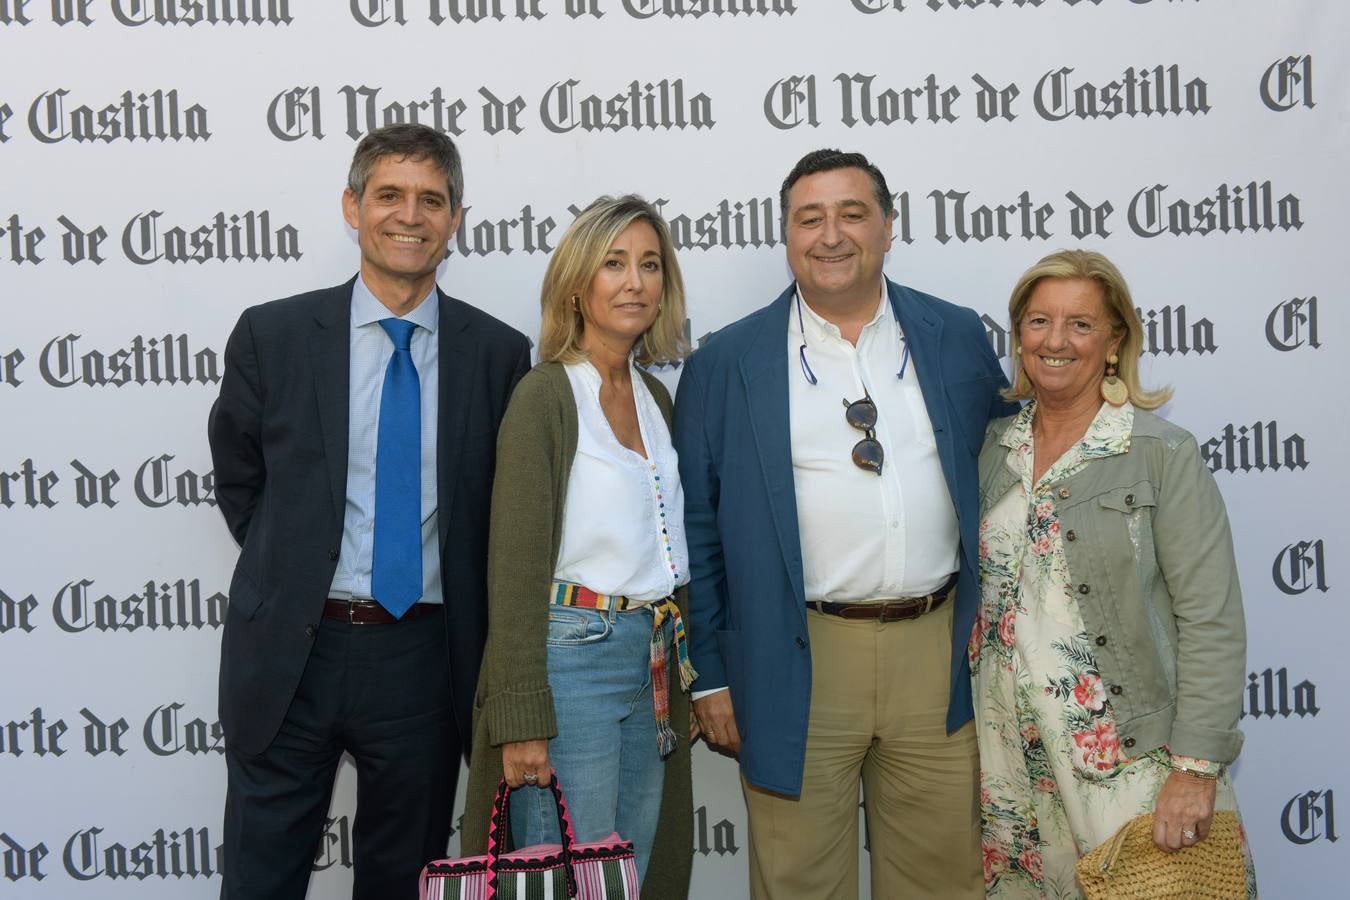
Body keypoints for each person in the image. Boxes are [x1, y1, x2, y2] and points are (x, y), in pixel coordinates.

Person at [673, 148, 1016, 898]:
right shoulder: (725, 363)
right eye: (810, 218)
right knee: (799, 882)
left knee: (942, 880)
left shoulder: (955, 336)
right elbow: (697, 532)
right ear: (787, 235)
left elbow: (1007, 475)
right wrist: (710, 677)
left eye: (853, 214)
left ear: (889, 227)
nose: (832, 235)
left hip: (938, 655)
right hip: (794, 655)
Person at [207, 123, 531, 899]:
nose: (408, 216)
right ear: (352, 206)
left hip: (422, 661)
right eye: (389, 195)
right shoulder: (273, 335)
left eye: (431, 199)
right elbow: (240, 478)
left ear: (456, 218)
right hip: (293, 651)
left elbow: (497, 512)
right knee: (259, 880)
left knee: (402, 880)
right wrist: (295, 567)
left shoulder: (498, 355)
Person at [970, 249, 1256, 897]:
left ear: (1115, 339)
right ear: (1019, 337)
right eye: (1039, 322)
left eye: (1080, 324)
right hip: (1010, 767)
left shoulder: (1160, 454)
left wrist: (1196, 770)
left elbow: (1210, 619)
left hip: (1130, 763)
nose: (1056, 341)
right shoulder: (993, 449)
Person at [461, 195, 695, 896]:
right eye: (614, 264)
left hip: (648, 659)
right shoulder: (545, 397)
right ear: (577, 285)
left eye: (650, 265)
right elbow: (513, 568)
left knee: (631, 869)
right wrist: (521, 718)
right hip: (570, 661)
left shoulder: (656, 398)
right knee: (565, 879)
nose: (635, 282)